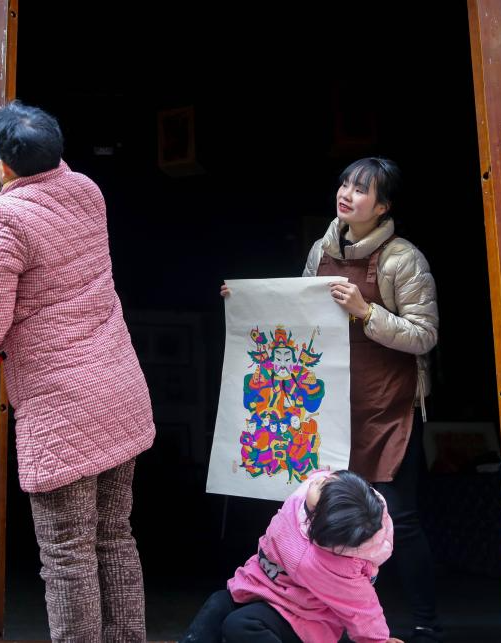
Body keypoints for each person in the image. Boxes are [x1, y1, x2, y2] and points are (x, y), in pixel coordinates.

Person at [0, 100, 155, 642]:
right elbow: (44, 165)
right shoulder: (88, 191)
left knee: (67, 553)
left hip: (62, 406)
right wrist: (18, 124)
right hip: (119, 390)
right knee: (114, 536)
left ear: (1, 165)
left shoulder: (4, 218)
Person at [221, 157, 441, 641]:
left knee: (398, 518)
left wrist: (365, 311)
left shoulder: (404, 259)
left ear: (383, 207)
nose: (346, 194)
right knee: (316, 511)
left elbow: (425, 335)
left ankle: (425, 625)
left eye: (361, 189)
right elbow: (301, 312)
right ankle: (318, 615)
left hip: (387, 406)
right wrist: (246, 303)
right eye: (344, 184)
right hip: (331, 405)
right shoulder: (322, 248)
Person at [181, 470, 403, 643]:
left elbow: (360, 605)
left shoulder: (327, 564)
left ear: (318, 523)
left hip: (302, 614)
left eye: (323, 489)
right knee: (218, 603)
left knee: (241, 625)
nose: (322, 480)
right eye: (332, 479)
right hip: (268, 587)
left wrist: (376, 639)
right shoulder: (345, 496)